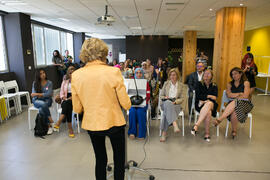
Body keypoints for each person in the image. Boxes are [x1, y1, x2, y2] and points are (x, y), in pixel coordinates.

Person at [71, 38, 131, 180]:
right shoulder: (113, 72)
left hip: (92, 124)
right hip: (114, 122)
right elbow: (126, 104)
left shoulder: (76, 75)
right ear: (103, 53)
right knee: (119, 159)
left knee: (100, 159)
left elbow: (77, 108)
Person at [213, 67, 253, 139]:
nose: (234, 76)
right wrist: (239, 94)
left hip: (245, 104)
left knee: (236, 101)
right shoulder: (229, 84)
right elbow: (229, 95)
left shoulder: (246, 83)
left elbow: (246, 96)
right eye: (232, 74)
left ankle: (220, 119)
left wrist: (236, 95)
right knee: (234, 110)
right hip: (232, 104)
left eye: (235, 74)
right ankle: (234, 131)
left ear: (240, 74)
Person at [191, 69, 218, 142]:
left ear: (211, 76)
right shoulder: (198, 84)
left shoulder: (214, 85)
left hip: (211, 104)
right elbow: (198, 96)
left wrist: (206, 98)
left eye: (208, 74)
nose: (206, 75)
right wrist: (209, 96)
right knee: (208, 112)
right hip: (200, 105)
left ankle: (196, 125)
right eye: (205, 73)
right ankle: (207, 134)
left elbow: (215, 97)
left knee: (209, 103)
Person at [160, 68, 184, 142]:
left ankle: (164, 133)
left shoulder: (181, 85)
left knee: (166, 112)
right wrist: (166, 97)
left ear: (177, 76)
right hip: (165, 102)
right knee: (167, 103)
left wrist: (176, 102)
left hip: (176, 104)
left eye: (174, 75)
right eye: (170, 75)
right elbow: (161, 96)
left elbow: (182, 98)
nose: (172, 77)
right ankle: (174, 124)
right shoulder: (166, 83)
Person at [53, 66, 76, 138]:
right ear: (68, 73)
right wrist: (63, 97)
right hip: (65, 98)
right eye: (70, 71)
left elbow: (79, 92)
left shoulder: (78, 81)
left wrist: (73, 97)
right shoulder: (65, 81)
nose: (71, 72)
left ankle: (59, 121)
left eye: (73, 71)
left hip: (74, 99)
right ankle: (70, 129)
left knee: (67, 104)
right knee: (67, 105)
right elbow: (61, 91)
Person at [128, 68, 150, 140]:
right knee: (132, 111)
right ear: (135, 74)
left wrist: (143, 101)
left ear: (142, 74)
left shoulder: (146, 83)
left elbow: (148, 95)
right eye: (137, 73)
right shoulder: (131, 82)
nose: (138, 74)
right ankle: (132, 132)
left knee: (140, 112)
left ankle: (141, 133)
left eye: (140, 73)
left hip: (143, 103)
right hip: (133, 103)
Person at [31, 69, 54, 135]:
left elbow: (49, 94)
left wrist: (38, 94)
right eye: (40, 74)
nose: (43, 74)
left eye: (43, 73)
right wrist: (42, 95)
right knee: (43, 104)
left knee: (41, 109)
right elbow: (33, 95)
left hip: (47, 100)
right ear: (38, 75)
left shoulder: (49, 83)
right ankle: (50, 121)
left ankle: (47, 126)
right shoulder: (35, 83)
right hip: (37, 101)